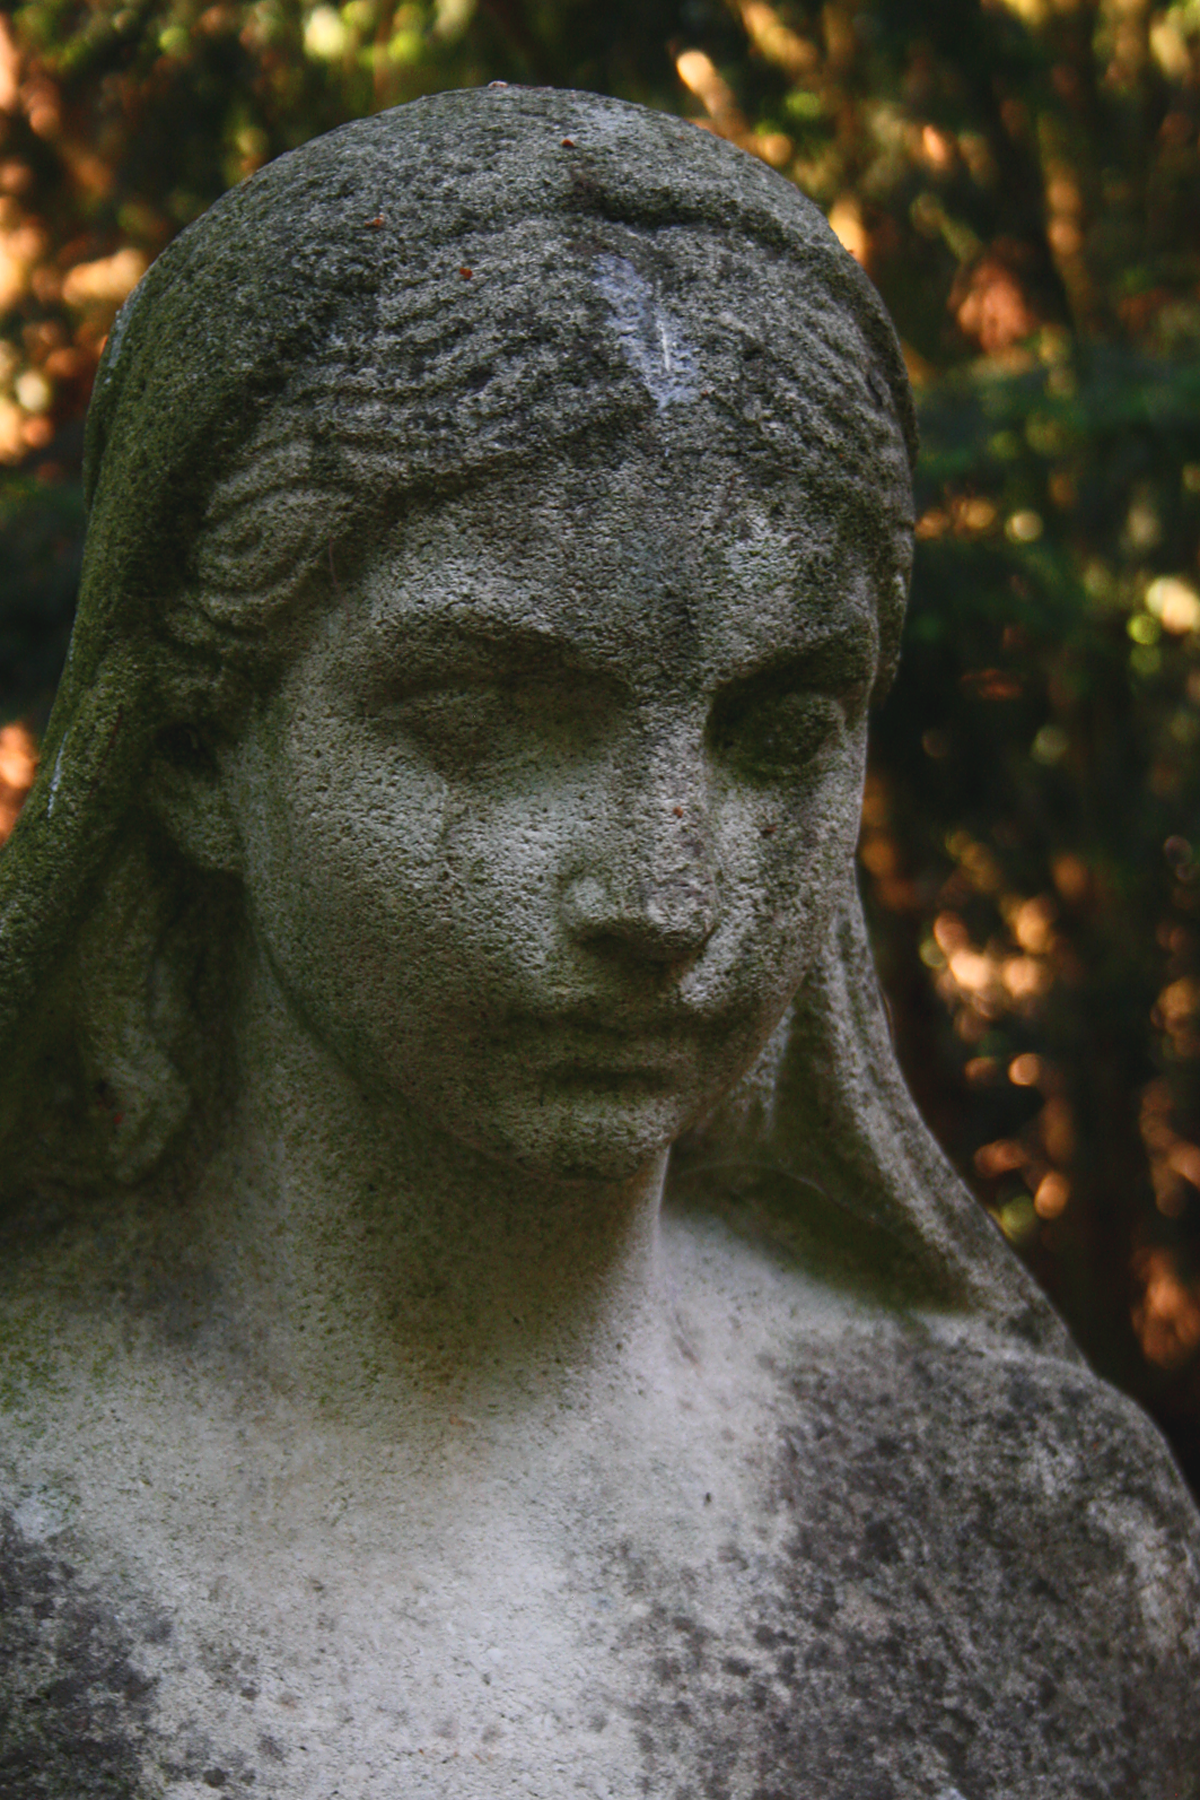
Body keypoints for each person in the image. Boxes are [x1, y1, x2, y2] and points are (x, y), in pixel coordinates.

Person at [0, 87, 1196, 1798]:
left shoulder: (1043, 1534)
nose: (661, 893)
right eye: (493, 715)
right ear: (197, 751)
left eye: (776, 730)